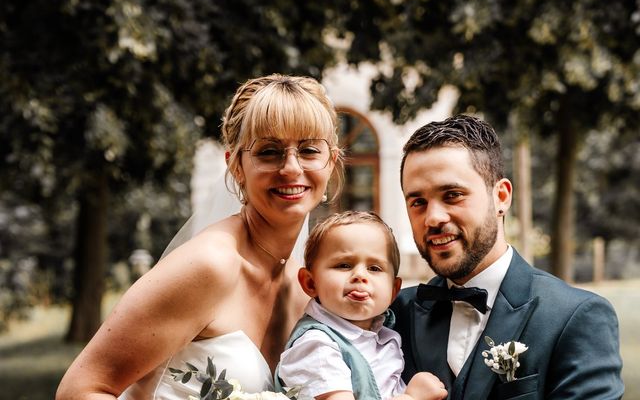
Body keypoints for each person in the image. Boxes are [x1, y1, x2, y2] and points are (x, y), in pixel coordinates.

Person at [56, 74, 344, 399]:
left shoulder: (305, 289)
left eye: (308, 150)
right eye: (268, 152)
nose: (291, 167)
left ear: (331, 163)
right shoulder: (209, 265)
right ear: (236, 166)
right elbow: (79, 390)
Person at [392, 114, 624, 400]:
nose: (433, 218)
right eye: (418, 202)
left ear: (501, 197)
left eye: (452, 195)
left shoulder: (575, 318)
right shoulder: (394, 314)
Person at [277, 211, 448, 400]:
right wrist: (411, 397)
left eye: (374, 268)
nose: (360, 275)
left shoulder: (385, 334)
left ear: (393, 290)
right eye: (344, 265)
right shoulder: (316, 347)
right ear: (310, 283)